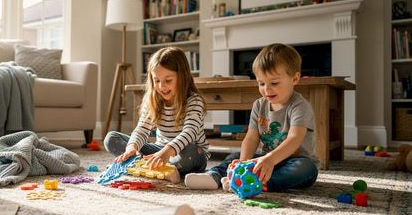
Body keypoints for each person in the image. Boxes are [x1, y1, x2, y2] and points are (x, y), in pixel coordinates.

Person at [185, 43, 319, 192]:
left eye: (274, 83)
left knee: (304, 169)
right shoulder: (259, 105)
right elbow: (251, 138)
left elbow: (294, 139)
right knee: (235, 156)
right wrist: (243, 163)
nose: (267, 89)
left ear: (295, 78)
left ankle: (256, 182)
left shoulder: (300, 106)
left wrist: (270, 160)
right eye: (261, 83)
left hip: (295, 161)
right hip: (265, 160)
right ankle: (214, 176)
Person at [104, 46, 210, 183]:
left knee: (193, 154)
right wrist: (132, 148)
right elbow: (142, 129)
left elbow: (189, 132)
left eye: (168, 80)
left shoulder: (194, 101)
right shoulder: (152, 100)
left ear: (182, 77)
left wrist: (168, 151)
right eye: (157, 80)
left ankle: (149, 167)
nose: (161, 87)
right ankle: (159, 168)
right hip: (160, 150)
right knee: (111, 138)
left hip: (187, 152)